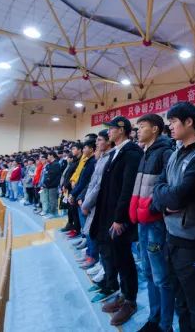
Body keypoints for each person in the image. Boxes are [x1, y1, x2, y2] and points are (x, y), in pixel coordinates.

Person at [152, 102, 195, 332]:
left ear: (189, 122)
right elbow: (158, 189)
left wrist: (167, 199)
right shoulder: (175, 153)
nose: (169, 127)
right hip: (172, 238)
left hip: (193, 244)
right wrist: (165, 204)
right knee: (181, 302)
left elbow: (179, 196)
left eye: (173, 122)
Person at [91, 116, 142, 326]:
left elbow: (128, 188)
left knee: (124, 258)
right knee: (117, 258)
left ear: (121, 130)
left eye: (111, 129)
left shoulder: (132, 153)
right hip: (110, 215)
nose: (108, 132)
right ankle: (123, 293)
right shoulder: (116, 152)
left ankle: (130, 301)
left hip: (120, 218)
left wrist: (120, 218)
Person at [129, 113, 175, 332]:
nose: (138, 131)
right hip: (143, 221)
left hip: (155, 222)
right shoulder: (145, 153)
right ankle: (154, 318)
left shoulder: (166, 152)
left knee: (161, 277)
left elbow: (168, 186)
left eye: (142, 126)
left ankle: (165, 325)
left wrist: (153, 208)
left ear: (155, 129)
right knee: (148, 272)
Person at [82, 130, 119, 303]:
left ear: (109, 141)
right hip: (95, 206)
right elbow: (92, 183)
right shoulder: (102, 157)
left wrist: (86, 203)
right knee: (102, 247)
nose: (97, 143)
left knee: (108, 249)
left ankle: (111, 284)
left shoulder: (110, 158)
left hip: (102, 208)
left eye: (100, 140)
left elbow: (98, 186)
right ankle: (105, 278)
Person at [42, 152, 62, 218]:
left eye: (48, 156)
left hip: (53, 185)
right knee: (49, 199)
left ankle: (53, 213)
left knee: (52, 200)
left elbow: (52, 176)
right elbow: (47, 174)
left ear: (51, 156)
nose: (47, 157)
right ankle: (50, 212)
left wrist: (47, 182)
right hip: (48, 185)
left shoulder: (56, 164)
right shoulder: (50, 164)